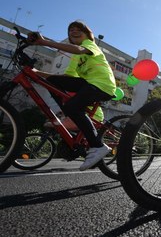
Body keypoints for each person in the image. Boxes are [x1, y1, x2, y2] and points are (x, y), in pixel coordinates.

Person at [27, 20, 117, 171]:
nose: (73, 31)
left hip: (102, 85)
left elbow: (79, 50)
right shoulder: (75, 57)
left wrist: (44, 42)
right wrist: (36, 73)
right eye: (71, 30)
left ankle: (98, 146)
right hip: (88, 84)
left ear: (87, 34)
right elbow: (67, 77)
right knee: (53, 81)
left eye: (78, 29)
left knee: (71, 106)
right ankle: (71, 113)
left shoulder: (89, 45)